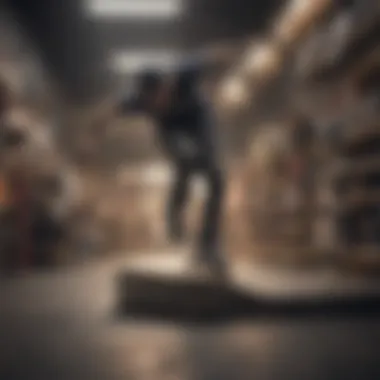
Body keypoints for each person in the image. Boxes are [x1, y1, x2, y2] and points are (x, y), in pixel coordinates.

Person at [118, 60, 226, 276]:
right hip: (172, 136)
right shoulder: (139, 101)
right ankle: (174, 218)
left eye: (159, 99)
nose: (157, 105)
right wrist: (89, 136)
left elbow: (215, 56)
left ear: (166, 86)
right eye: (151, 104)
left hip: (199, 123)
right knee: (183, 161)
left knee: (216, 178)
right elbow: (110, 111)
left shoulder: (185, 75)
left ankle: (208, 245)